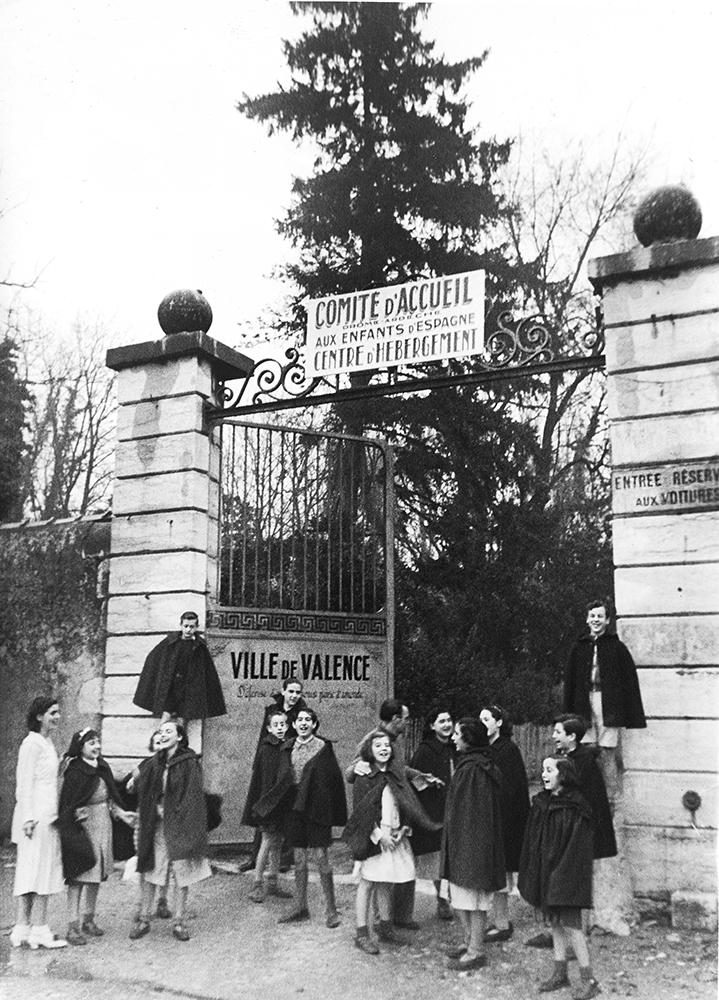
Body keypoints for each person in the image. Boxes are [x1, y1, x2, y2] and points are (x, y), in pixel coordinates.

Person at [346, 697, 443, 930]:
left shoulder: (395, 743)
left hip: (396, 816)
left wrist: (422, 777)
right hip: (379, 824)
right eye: (405, 719)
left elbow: (398, 771)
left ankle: (398, 918)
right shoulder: (374, 740)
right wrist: (353, 769)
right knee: (377, 876)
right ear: (396, 719)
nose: (407, 723)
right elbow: (354, 771)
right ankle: (381, 921)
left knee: (400, 869)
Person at [253, 708, 347, 928]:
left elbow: (334, 781)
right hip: (294, 809)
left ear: (314, 724)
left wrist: (333, 810)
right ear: (293, 725)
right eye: (299, 720)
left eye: (308, 720)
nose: (303, 723)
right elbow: (281, 780)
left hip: (317, 809)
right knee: (299, 858)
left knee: (321, 857)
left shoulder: (324, 748)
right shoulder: (286, 748)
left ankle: (331, 910)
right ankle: (300, 906)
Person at [518, 757, 600, 999]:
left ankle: (589, 979)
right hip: (546, 872)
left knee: (573, 927)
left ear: (563, 775)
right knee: (554, 924)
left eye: (549, 770)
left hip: (565, 876)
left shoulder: (577, 808)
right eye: (543, 770)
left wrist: (562, 877)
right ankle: (560, 972)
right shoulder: (543, 803)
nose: (544, 774)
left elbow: (578, 849)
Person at [131, 719, 212, 942]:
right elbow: (140, 780)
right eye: (161, 731)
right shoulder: (155, 762)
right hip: (156, 826)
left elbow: (192, 796)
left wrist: (173, 812)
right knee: (151, 870)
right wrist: (134, 780)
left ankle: (179, 922)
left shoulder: (188, 762)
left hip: (179, 825)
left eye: (169, 731)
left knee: (181, 873)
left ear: (179, 737)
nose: (164, 734)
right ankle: (145, 919)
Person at [58, 728, 135, 945]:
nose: (97, 747)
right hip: (84, 827)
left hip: (103, 824)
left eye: (98, 742)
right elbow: (68, 802)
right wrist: (75, 814)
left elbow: (111, 797)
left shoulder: (102, 767)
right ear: (80, 747)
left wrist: (122, 814)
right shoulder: (74, 771)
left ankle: (88, 920)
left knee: (97, 874)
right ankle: (72, 926)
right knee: (79, 875)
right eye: (92, 743)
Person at [440, 717, 506, 972]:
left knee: (474, 899)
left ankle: (476, 950)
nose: (454, 738)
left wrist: (462, 846)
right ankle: (469, 942)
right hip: (466, 842)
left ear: (469, 739)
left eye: (458, 734)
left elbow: (472, 814)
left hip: (472, 845)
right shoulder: (473, 765)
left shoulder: (474, 769)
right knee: (463, 898)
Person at [10, 696, 68, 950]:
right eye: (52, 712)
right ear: (39, 716)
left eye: (57, 712)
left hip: (47, 812)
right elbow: (24, 783)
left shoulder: (47, 742)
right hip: (36, 817)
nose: (56, 716)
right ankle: (38, 930)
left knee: (35, 870)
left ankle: (23, 929)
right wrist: (28, 818)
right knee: (38, 870)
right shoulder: (32, 743)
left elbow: (46, 778)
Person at [240, 678, 306, 874]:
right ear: (283, 691)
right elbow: (263, 737)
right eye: (291, 691)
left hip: (288, 765)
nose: (294, 695)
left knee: (286, 813)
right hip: (268, 762)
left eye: (298, 692)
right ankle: (255, 858)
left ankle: (283, 861)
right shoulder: (271, 710)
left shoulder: (301, 714)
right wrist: (259, 763)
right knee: (264, 810)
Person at [563, 599, 645, 755]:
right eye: (592, 616)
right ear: (587, 620)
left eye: (600, 616)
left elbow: (629, 680)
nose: (596, 620)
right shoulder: (578, 647)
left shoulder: (616, 647)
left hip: (607, 703)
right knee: (585, 747)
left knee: (607, 750)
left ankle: (607, 780)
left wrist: (628, 712)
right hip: (584, 702)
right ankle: (590, 780)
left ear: (607, 620)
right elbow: (570, 682)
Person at [479, 704, 530, 943]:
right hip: (488, 819)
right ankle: (500, 921)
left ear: (499, 723)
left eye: (487, 719)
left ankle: (502, 924)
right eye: (480, 719)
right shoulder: (483, 749)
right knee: (496, 873)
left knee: (504, 872)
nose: (482, 723)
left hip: (505, 820)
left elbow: (513, 789)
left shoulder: (508, 750)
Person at [133, 611, 226, 724]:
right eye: (185, 626)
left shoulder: (200, 646)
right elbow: (154, 658)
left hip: (188, 689)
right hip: (170, 687)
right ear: (180, 625)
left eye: (192, 627)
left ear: (196, 627)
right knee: (165, 717)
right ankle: (160, 739)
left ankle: (180, 741)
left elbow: (208, 671)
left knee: (181, 721)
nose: (188, 630)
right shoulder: (170, 641)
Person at [241, 709, 293, 903]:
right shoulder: (266, 748)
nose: (280, 728)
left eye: (283, 725)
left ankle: (273, 883)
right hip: (270, 806)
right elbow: (265, 781)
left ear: (287, 727)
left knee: (278, 843)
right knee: (267, 842)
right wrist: (266, 806)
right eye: (276, 725)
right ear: (269, 728)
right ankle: (257, 884)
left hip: (283, 805)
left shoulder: (287, 746)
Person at [409, 706, 455, 921]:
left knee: (454, 855)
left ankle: (455, 897)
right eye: (441, 721)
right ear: (432, 726)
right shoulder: (426, 750)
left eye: (448, 720)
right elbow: (415, 781)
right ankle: (442, 899)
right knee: (437, 857)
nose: (447, 724)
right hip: (435, 810)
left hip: (456, 809)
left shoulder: (455, 747)